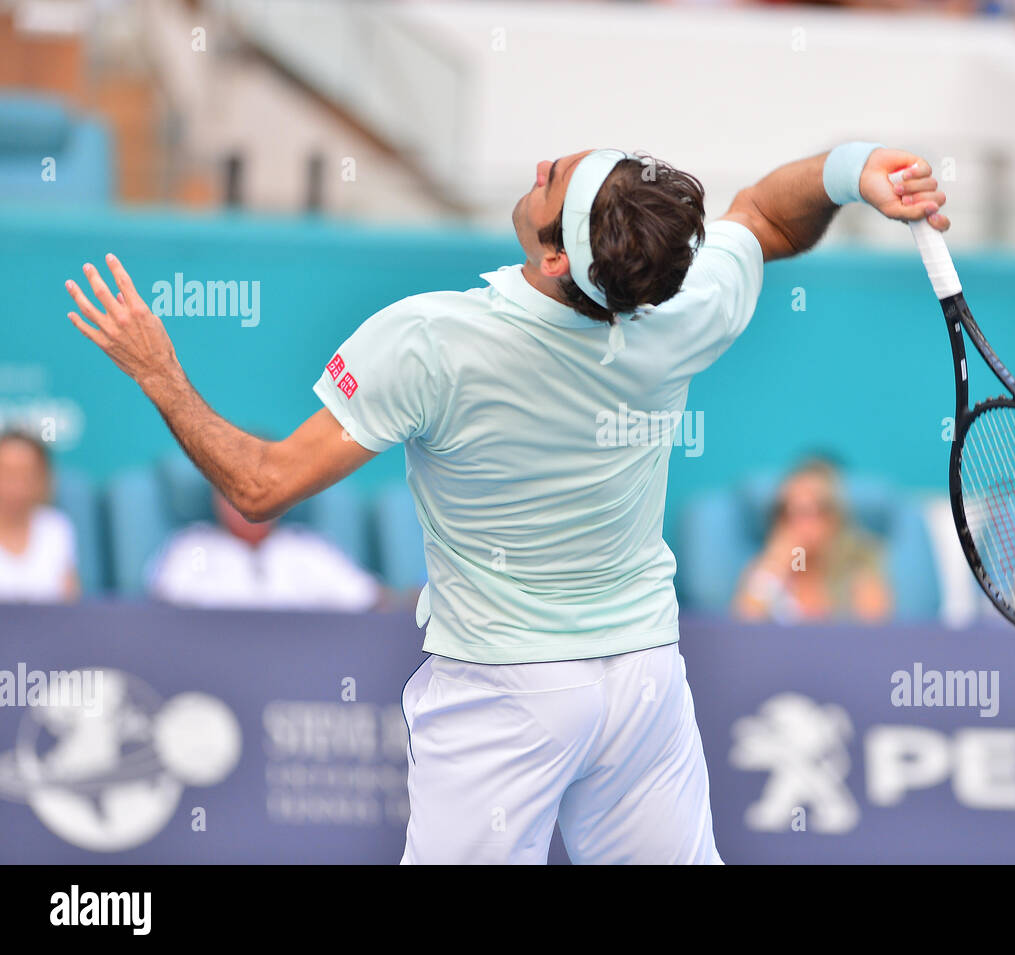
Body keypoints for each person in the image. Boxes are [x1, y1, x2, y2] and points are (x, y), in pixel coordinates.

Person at [63, 141, 949, 864]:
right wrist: (856, 170)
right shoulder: (679, 312)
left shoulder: (429, 341)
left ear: (559, 255)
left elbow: (259, 486)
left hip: (504, 693)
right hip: (643, 680)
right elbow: (764, 216)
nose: (539, 164)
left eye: (555, 177)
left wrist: (160, 375)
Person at [147, 486, 380, 611]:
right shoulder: (190, 549)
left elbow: (369, 600)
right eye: (233, 487)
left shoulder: (310, 551)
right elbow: (163, 606)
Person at [733, 458, 891, 623]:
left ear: (833, 520)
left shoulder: (858, 566)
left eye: (810, 512)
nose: (799, 524)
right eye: (786, 512)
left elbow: (874, 632)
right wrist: (774, 567)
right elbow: (743, 627)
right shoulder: (765, 569)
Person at [0, 429, 79, 604]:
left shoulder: (57, 528)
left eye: (25, 475)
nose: (15, 485)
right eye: (6, 474)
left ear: (42, 479)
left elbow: (72, 605)